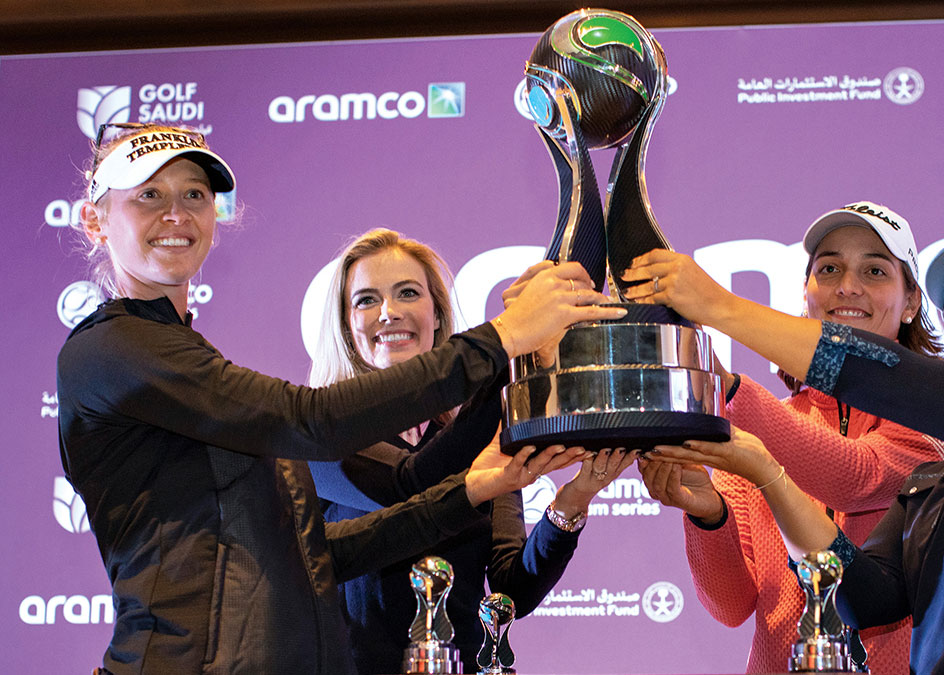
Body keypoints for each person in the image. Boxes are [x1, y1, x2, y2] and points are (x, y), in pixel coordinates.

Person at [57, 123, 627, 675]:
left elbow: (319, 555)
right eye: (149, 195)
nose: (176, 214)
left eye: (194, 194)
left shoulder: (186, 357)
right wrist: (502, 340)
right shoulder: (117, 348)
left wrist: (477, 487)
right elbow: (314, 420)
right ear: (95, 221)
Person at [628, 217, 944, 674]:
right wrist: (763, 471)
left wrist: (719, 311)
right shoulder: (934, 482)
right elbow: (862, 596)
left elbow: (883, 395)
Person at [637, 202, 944, 674]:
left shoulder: (933, 419)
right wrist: (708, 514)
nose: (848, 285)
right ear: (805, 295)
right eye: (829, 268)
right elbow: (730, 607)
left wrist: (729, 389)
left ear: (910, 303)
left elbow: (851, 475)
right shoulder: (762, 429)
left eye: (874, 270)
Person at [307, 228, 637, 673]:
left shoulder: (474, 437)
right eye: (366, 300)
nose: (389, 312)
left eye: (407, 293)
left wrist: (573, 500)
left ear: (438, 316)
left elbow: (510, 589)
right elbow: (411, 484)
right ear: (347, 326)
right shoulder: (321, 431)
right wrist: (513, 346)